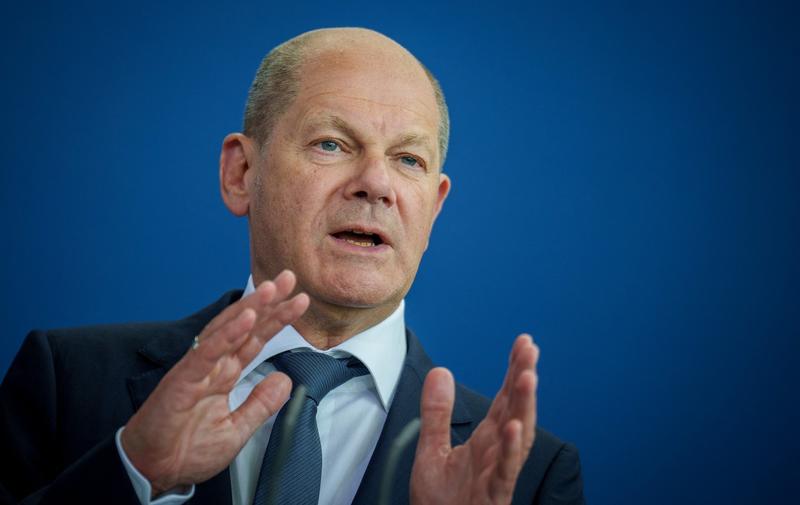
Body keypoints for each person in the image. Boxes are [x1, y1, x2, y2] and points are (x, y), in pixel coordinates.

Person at [0, 28, 584, 505]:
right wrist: (135, 474)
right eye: (332, 144)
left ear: (433, 208)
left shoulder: (529, 475)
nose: (376, 183)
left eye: (408, 159)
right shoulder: (67, 384)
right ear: (241, 174)